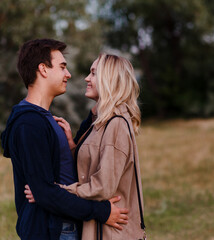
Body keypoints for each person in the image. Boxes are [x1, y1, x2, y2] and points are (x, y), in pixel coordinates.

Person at [0, 39, 129, 240]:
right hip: (52, 230)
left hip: (66, 226)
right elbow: (44, 193)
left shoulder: (46, 119)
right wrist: (101, 211)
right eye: (62, 67)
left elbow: (68, 171)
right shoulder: (29, 124)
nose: (68, 74)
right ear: (43, 69)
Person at [25, 53, 145, 239]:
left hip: (113, 233)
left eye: (94, 73)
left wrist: (52, 192)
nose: (87, 78)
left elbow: (102, 187)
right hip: (99, 229)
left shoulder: (117, 124)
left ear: (109, 79)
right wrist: (73, 146)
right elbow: (92, 168)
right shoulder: (100, 122)